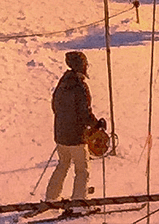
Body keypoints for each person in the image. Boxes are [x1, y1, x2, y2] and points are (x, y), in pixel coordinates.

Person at [47, 52, 105, 207]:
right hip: (76, 136)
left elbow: (54, 106)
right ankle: (79, 201)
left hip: (60, 134)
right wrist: (96, 125)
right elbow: (84, 113)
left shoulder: (63, 82)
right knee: (82, 168)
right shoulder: (80, 86)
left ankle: (52, 197)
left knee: (63, 164)